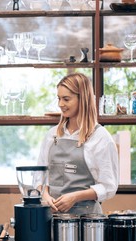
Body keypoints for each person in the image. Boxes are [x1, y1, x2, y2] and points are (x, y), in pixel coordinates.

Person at [37, 73, 118, 215]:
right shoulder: (52, 135)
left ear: (83, 99)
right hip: (52, 218)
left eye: (66, 99)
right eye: (59, 98)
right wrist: (45, 196)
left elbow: (109, 186)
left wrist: (75, 197)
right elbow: (39, 177)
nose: (60, 104)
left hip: (89, 223)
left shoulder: (100, 137)